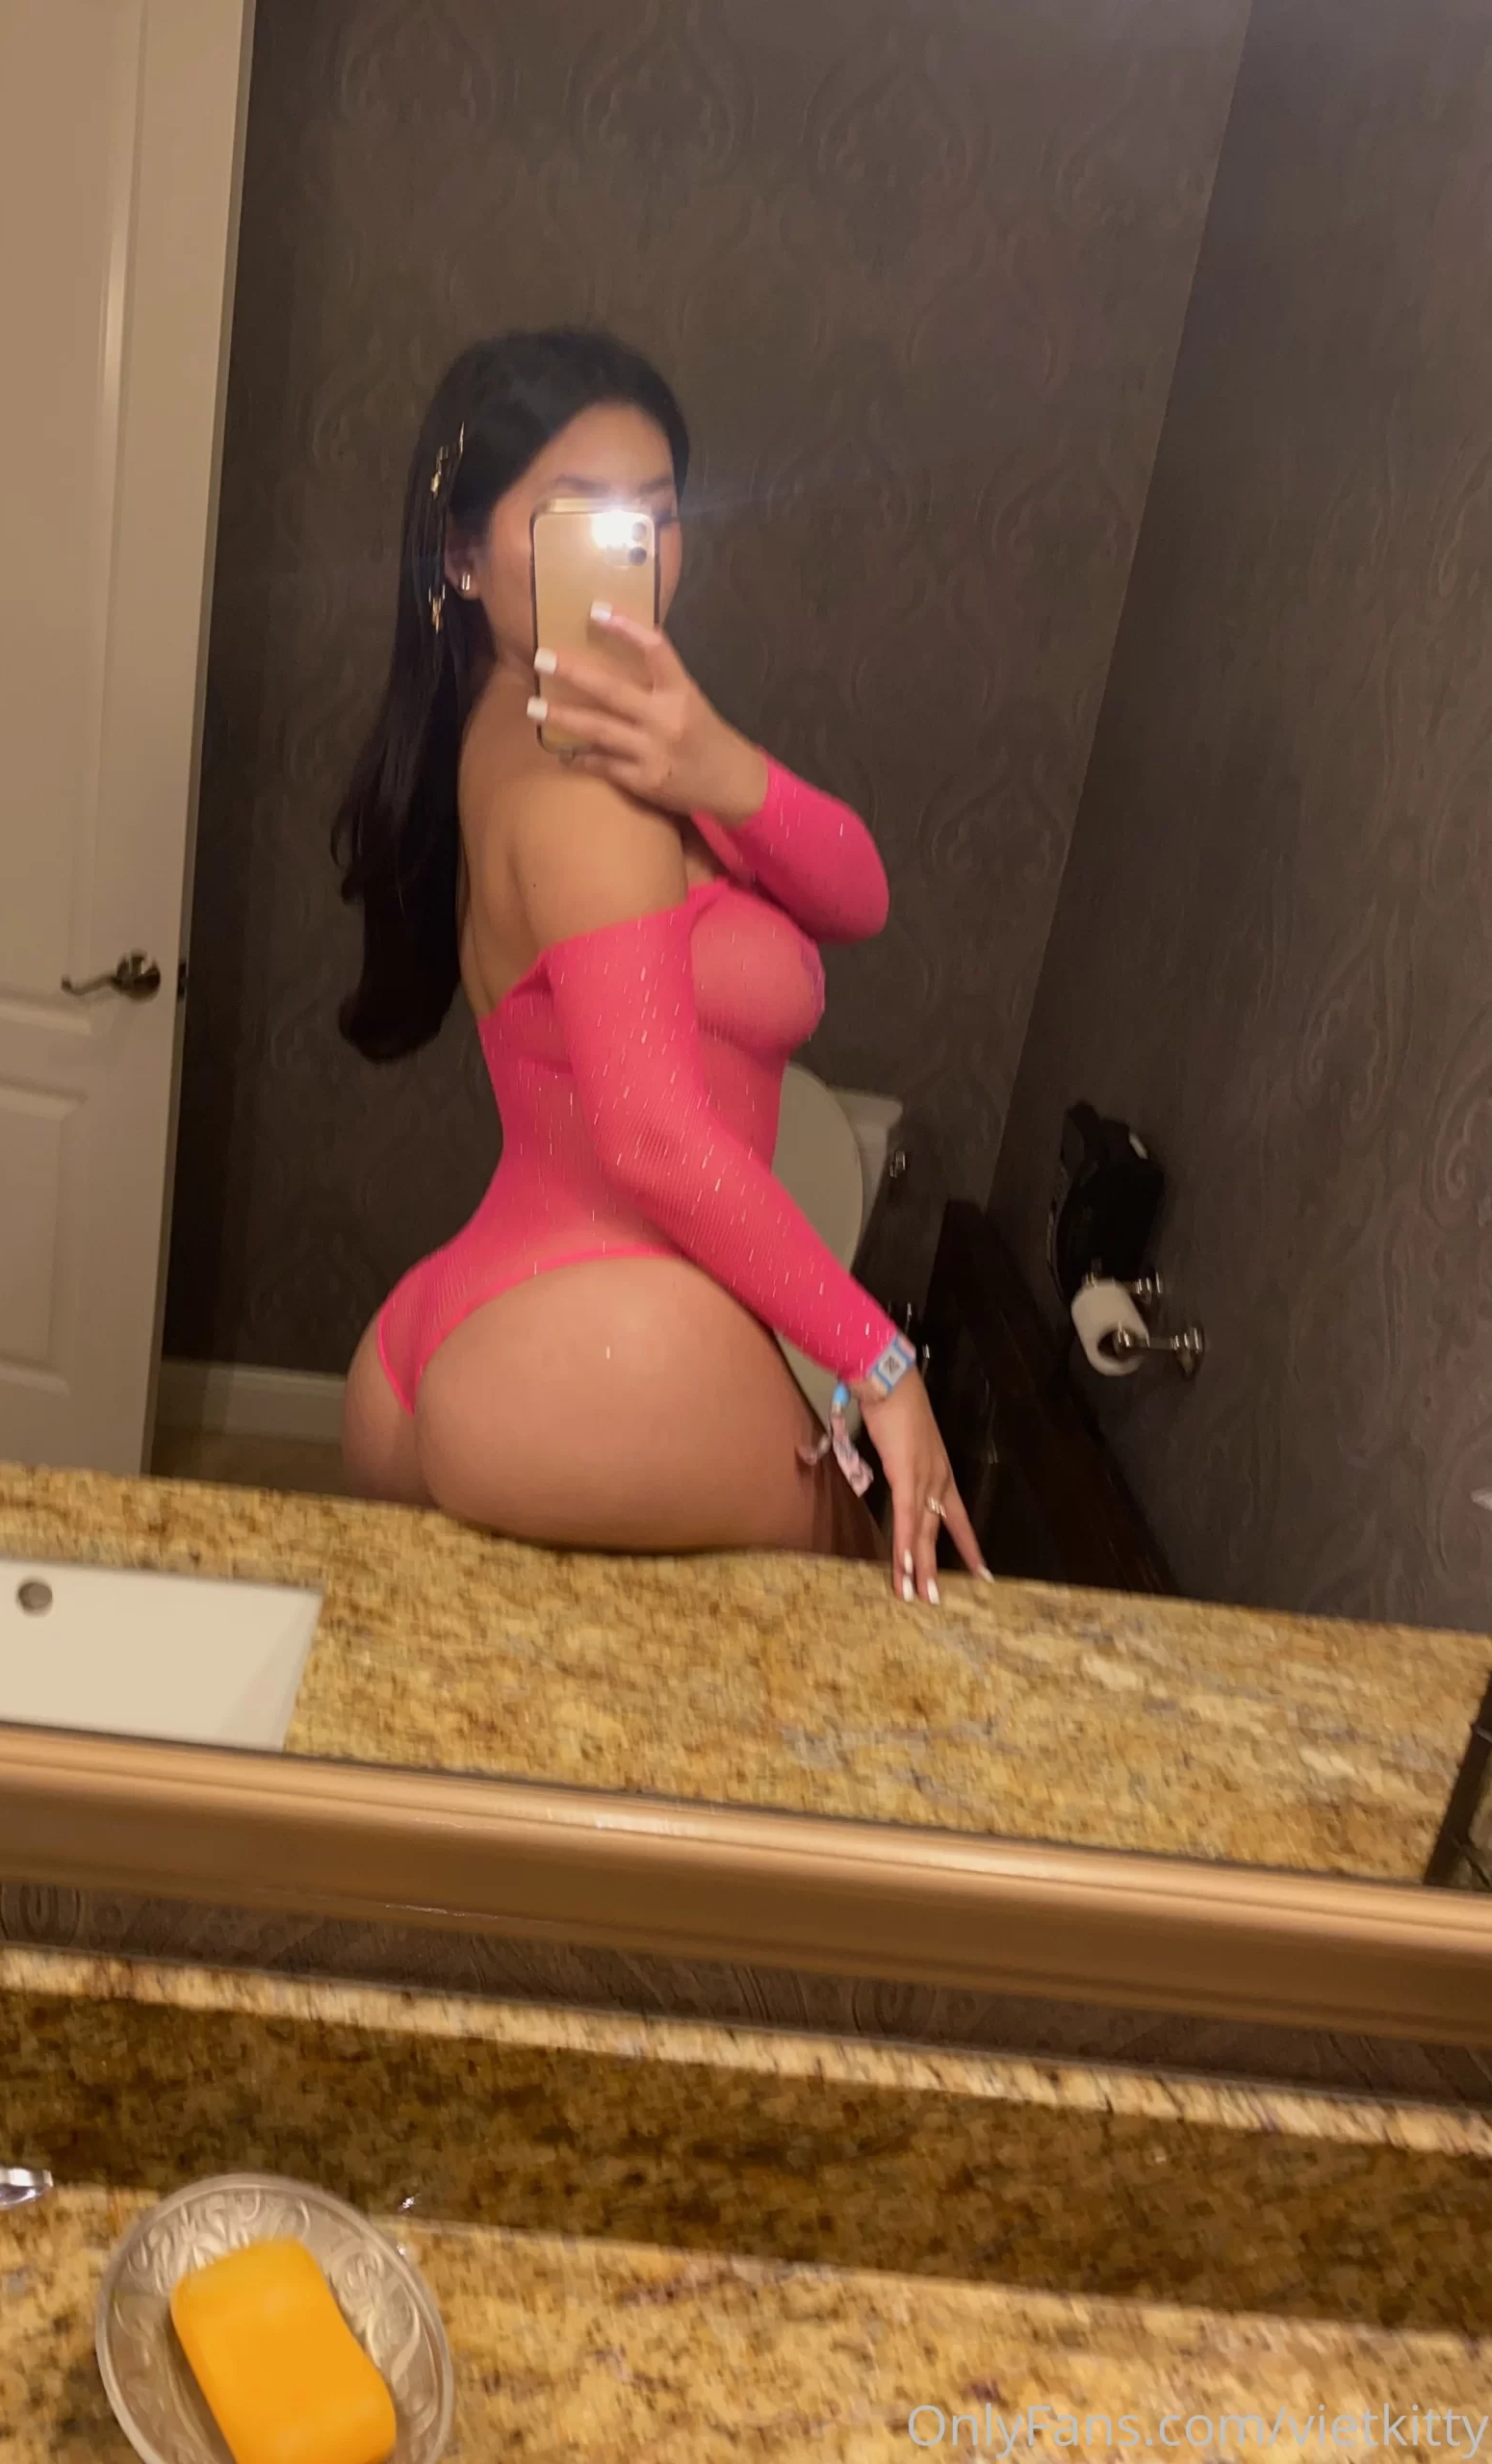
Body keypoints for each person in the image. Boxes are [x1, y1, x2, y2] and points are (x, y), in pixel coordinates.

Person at [331, 328, 986, 1602]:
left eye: (656, 517)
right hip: (613, 1339)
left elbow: (857, 895)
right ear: (462, 555)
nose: (632, 554)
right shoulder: (585, 793)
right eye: (577, 516)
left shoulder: (546, 735)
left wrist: (720, 766)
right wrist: (883, 1365)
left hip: (487, 1315)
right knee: (863, 1648)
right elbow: (651, 1136)